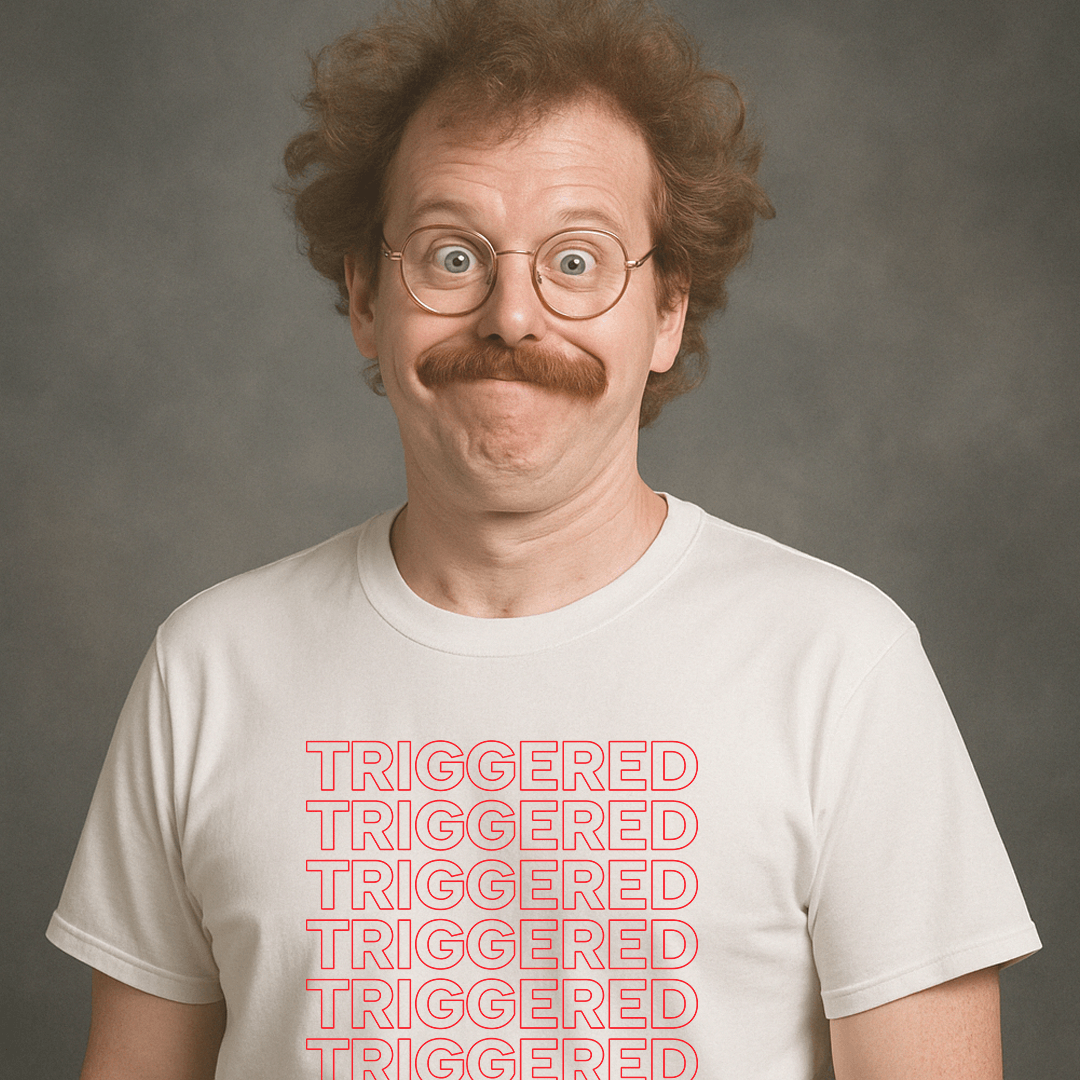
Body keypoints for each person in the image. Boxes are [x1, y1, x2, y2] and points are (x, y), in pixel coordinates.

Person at [48, 1, 1040, 1077]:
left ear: (666, 311)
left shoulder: (842, 666)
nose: (513, 315)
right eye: (452, 254)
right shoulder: (209, 667)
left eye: (576, 261)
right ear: (364, 297)